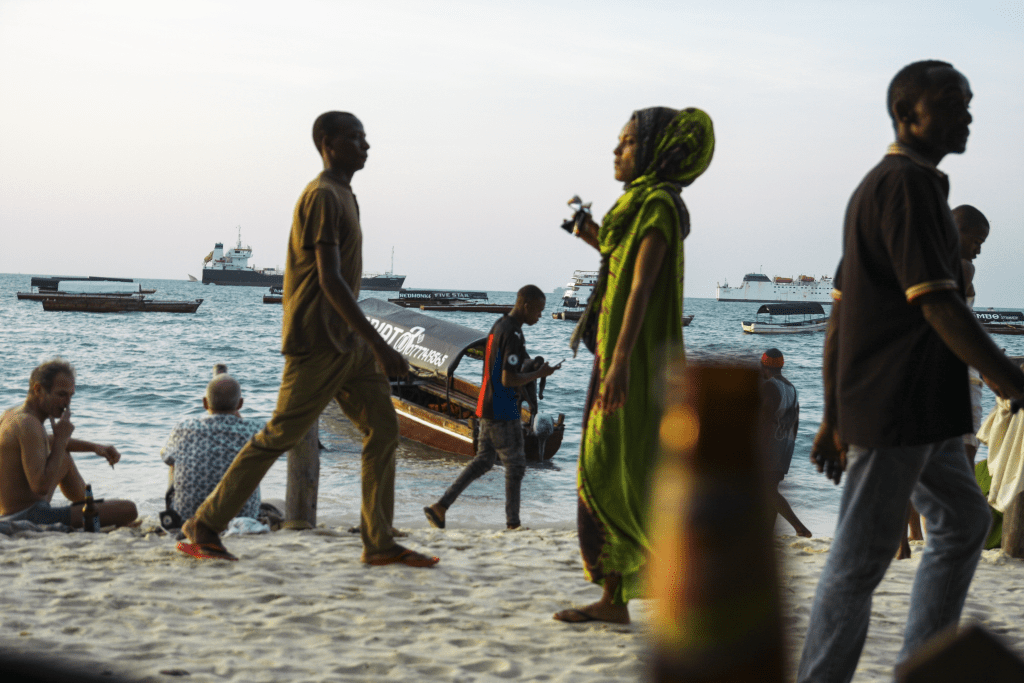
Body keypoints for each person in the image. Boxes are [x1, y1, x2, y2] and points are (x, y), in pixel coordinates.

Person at [798, 61, 1024, 682]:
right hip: (897, 405)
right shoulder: (906, 186)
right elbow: (936, 302)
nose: (967, 114)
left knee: (965, 520)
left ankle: (921, 663)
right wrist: (1011, 379)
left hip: (926, 409)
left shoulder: (912, 186)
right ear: (907, 115)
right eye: (951, 103)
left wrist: (832, 414)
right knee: (858, 561)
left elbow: (844, 318)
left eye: (969, 102)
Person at [178, 111, 437, 567]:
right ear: (328, 143)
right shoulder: (321, 196)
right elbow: (330, 279)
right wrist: (379, 344)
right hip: (318, 340)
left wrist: (365, 345)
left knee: (384, 430)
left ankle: (378, 541)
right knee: (278, 436)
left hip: (349, 345)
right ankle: (204, 525)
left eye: (366, 138)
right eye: (356, 138)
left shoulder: (345, 195)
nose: (367, 146)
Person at [553, 106, 715, 624]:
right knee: (614, 467)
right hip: (613, 352)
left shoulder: (660, 205)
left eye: (625, 143)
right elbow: (616, 257)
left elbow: (642, 285)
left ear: (652, 151)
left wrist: (620, 362)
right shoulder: (636, 206)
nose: (615, 152)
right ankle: (617, 597)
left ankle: (669, 582)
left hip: (634, 358)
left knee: (619, 466)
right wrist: (586, 230)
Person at [423, 285, 558, 531]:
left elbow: (506, 365)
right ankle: (513, 524)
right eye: (538, 311)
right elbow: (508, 378)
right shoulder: (514, 334)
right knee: (516, 465)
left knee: (483, 461)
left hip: (485, 405)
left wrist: (534, 367)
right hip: (503, 408)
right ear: (526, 306)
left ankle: (440, 507)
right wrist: (539, 373)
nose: (540, 317)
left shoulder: (498, 327)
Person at [0, 358, 137, 528]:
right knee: (128, 509)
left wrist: (95, 447)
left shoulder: (12, 415)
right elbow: (40, 487)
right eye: (61, 394)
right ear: (38, 389)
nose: (67, 402)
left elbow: (45, 441)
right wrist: (62, 439)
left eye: (70, 395)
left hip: (15, 510)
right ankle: (91, 512)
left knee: (63, 458)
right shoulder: (29, 424)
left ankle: (89, 507)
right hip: (31, 515)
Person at [160, 369, 263, 524]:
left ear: (205, 403)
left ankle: (172, 512)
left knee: (173, 459)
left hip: (187, 517)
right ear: (240, 404)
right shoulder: (256, 429)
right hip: (242, 517)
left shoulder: (184, 427)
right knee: (276, 503)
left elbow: (165, 456)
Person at [759, 348, 811, 538]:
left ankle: (799, 528)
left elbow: (764, 420)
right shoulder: (791, 388)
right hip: (786, 444)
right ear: (782, 366)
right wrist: (789, 447)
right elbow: (795, 422)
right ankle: (767, 533)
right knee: (772, 490)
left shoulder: (769, 387)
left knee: (767, 490)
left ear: (763, 365)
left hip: (770, 444)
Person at [954, 204, 990, 467]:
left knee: (920, 474)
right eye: (976, 241)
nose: (978, 250)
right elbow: (955, 322)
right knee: (962, 467)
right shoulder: (964, 268)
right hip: (962, 380)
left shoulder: (922, 266)